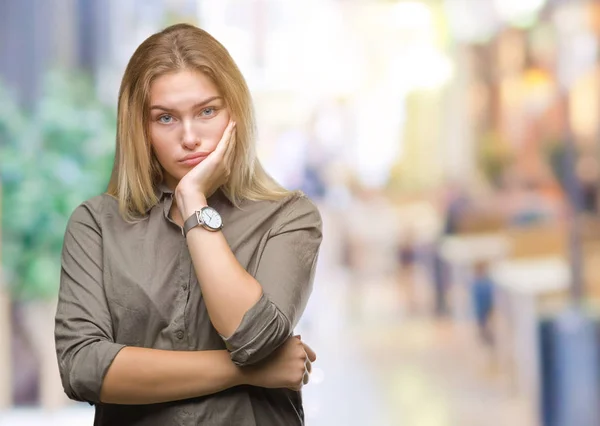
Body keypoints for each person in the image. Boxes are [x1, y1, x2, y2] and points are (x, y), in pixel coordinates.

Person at [54, 23, 322, 426]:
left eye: (207, 111)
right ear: (140, 129)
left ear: (236, 112)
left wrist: (194, 203)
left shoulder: (287, 216)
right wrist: (246, 372)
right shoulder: (95, 224)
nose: (190, 137)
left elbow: (252, 338)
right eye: (165, 118)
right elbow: (83, 368)